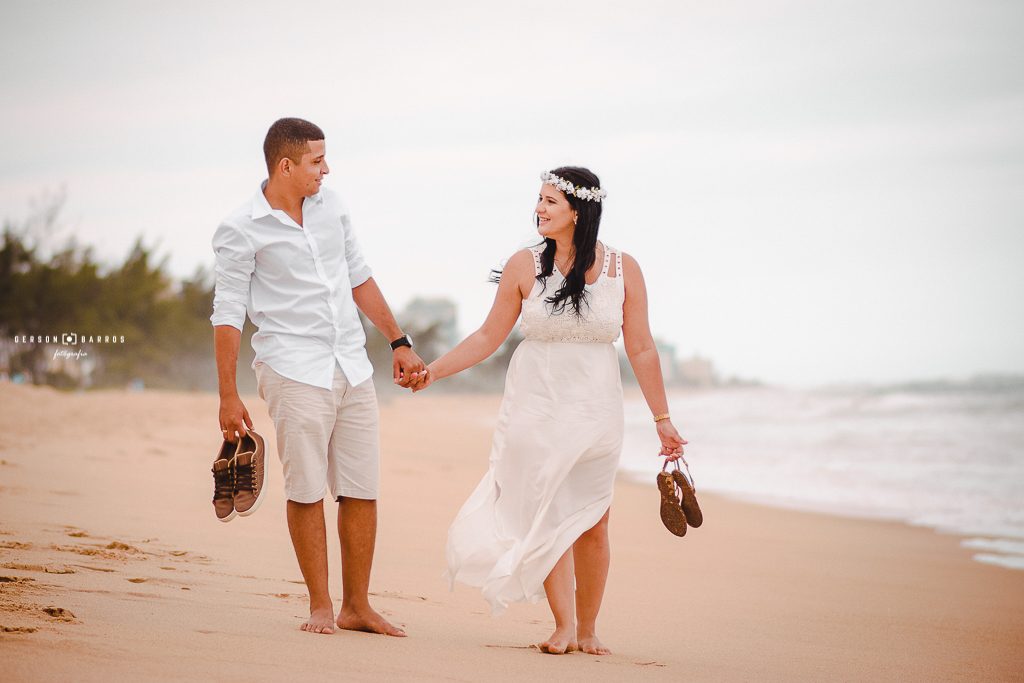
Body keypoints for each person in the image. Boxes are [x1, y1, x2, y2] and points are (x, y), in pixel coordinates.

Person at [411, 167, 686, 655]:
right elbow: (487, 336)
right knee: (550, 508)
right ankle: (563, 626)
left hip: (596, 406)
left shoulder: (625, 269)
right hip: (535, 404)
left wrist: (662, 420)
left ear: (578, 211)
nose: (539, 209)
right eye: (538, 200)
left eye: (550, 201)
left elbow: (641, 348)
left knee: (594, 518)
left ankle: (588, 628)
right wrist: (434, 371)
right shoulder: (524, 265)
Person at [211, 117, 427, 636]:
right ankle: (320, 606)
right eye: (316, 161)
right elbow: (227, 310)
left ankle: (358, 605)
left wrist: (398, 341)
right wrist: (227, 395)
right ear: (285, 165)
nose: (326, 170)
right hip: (291, 365)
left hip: (351, 361)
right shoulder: (240, 227)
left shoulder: (333, 207)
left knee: (361, 487)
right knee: (306, 487)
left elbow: (358, 274)